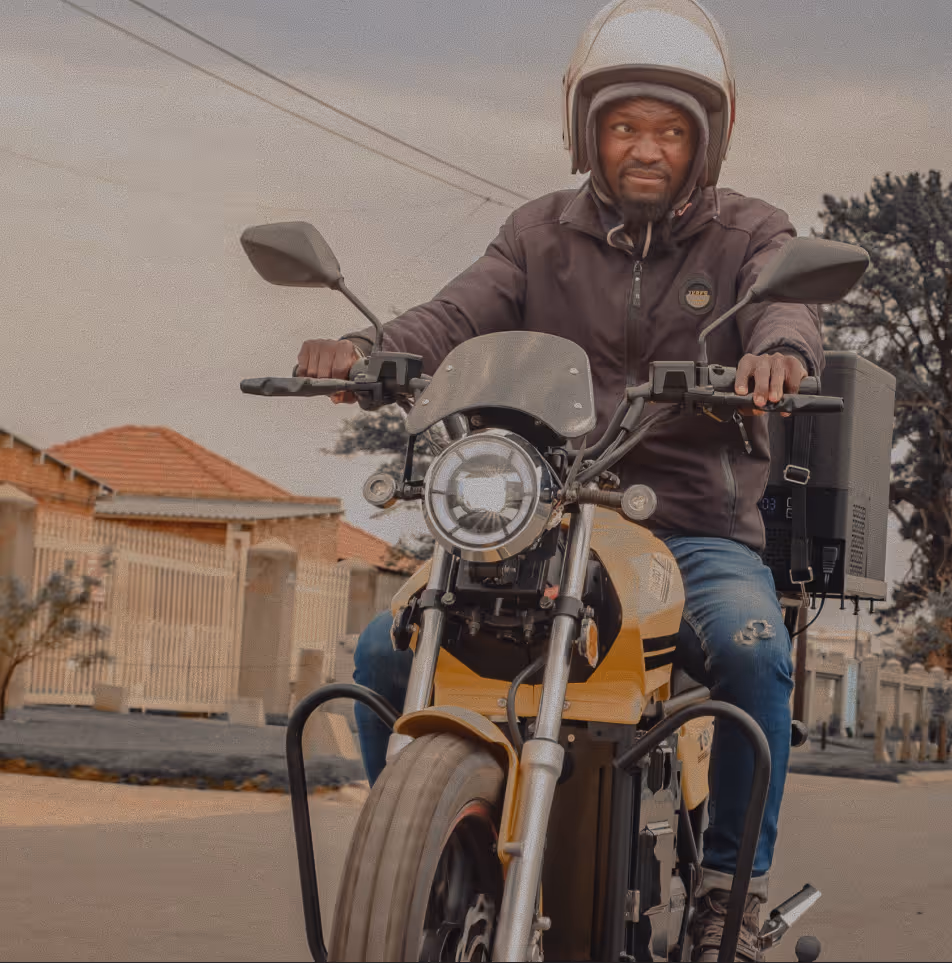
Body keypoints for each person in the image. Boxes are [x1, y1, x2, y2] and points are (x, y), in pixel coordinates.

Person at [299, 4, 821, 958]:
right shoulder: (535, 232)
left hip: (690, 527)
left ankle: (723, 892)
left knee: (752, 654)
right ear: (591, 134)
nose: (647, 149)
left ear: (704, 141)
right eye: (625, 127)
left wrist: (779, 353)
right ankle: (425, 855)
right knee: (383, 650)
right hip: (532, 511)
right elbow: (454, 314)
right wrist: (369, 349)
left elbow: (786, 305)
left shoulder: (750, 233)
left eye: (669, 131)